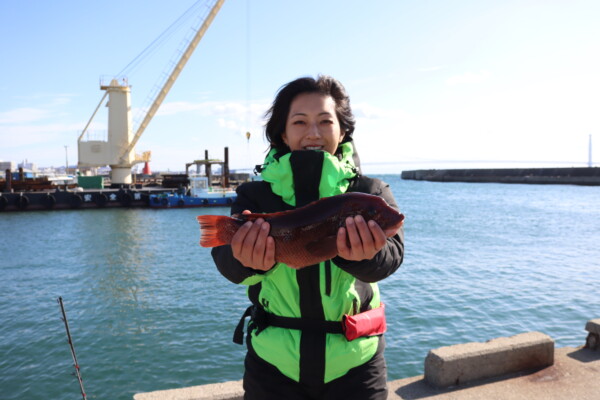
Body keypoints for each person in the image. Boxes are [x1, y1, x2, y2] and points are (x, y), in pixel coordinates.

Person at [211, 75, 404, 400]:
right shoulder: (254, 196)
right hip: (273, 368)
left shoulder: (370, 192)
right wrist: (245, 260)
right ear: (282, 133)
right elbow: (227, 263)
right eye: (299, 122)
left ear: (343, 131)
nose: (313, 132)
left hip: (358, 365)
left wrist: (365, 254)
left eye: (325, 121)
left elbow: (391, 259)